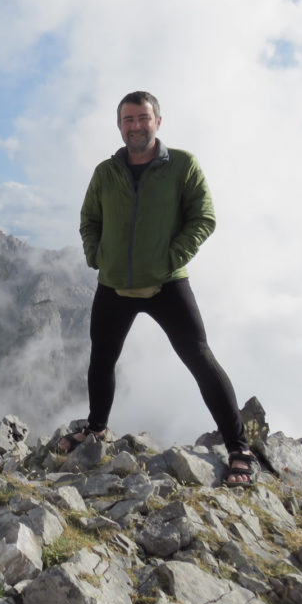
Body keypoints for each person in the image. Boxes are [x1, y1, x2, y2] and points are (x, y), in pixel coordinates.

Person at [58, 90, 254, 486]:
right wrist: (96, 255)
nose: (136, 126)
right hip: (113, 285)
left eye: (143, 118)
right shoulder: (105, 172)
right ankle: (96, 429)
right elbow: (89, 218)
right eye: (128, 120)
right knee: (102, 358)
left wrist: (172, 257)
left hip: (167, 283)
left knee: (199, 358)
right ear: (119, 126)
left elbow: (204, 216)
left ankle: (238, 447)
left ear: (158, 122)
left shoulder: (182, 165)